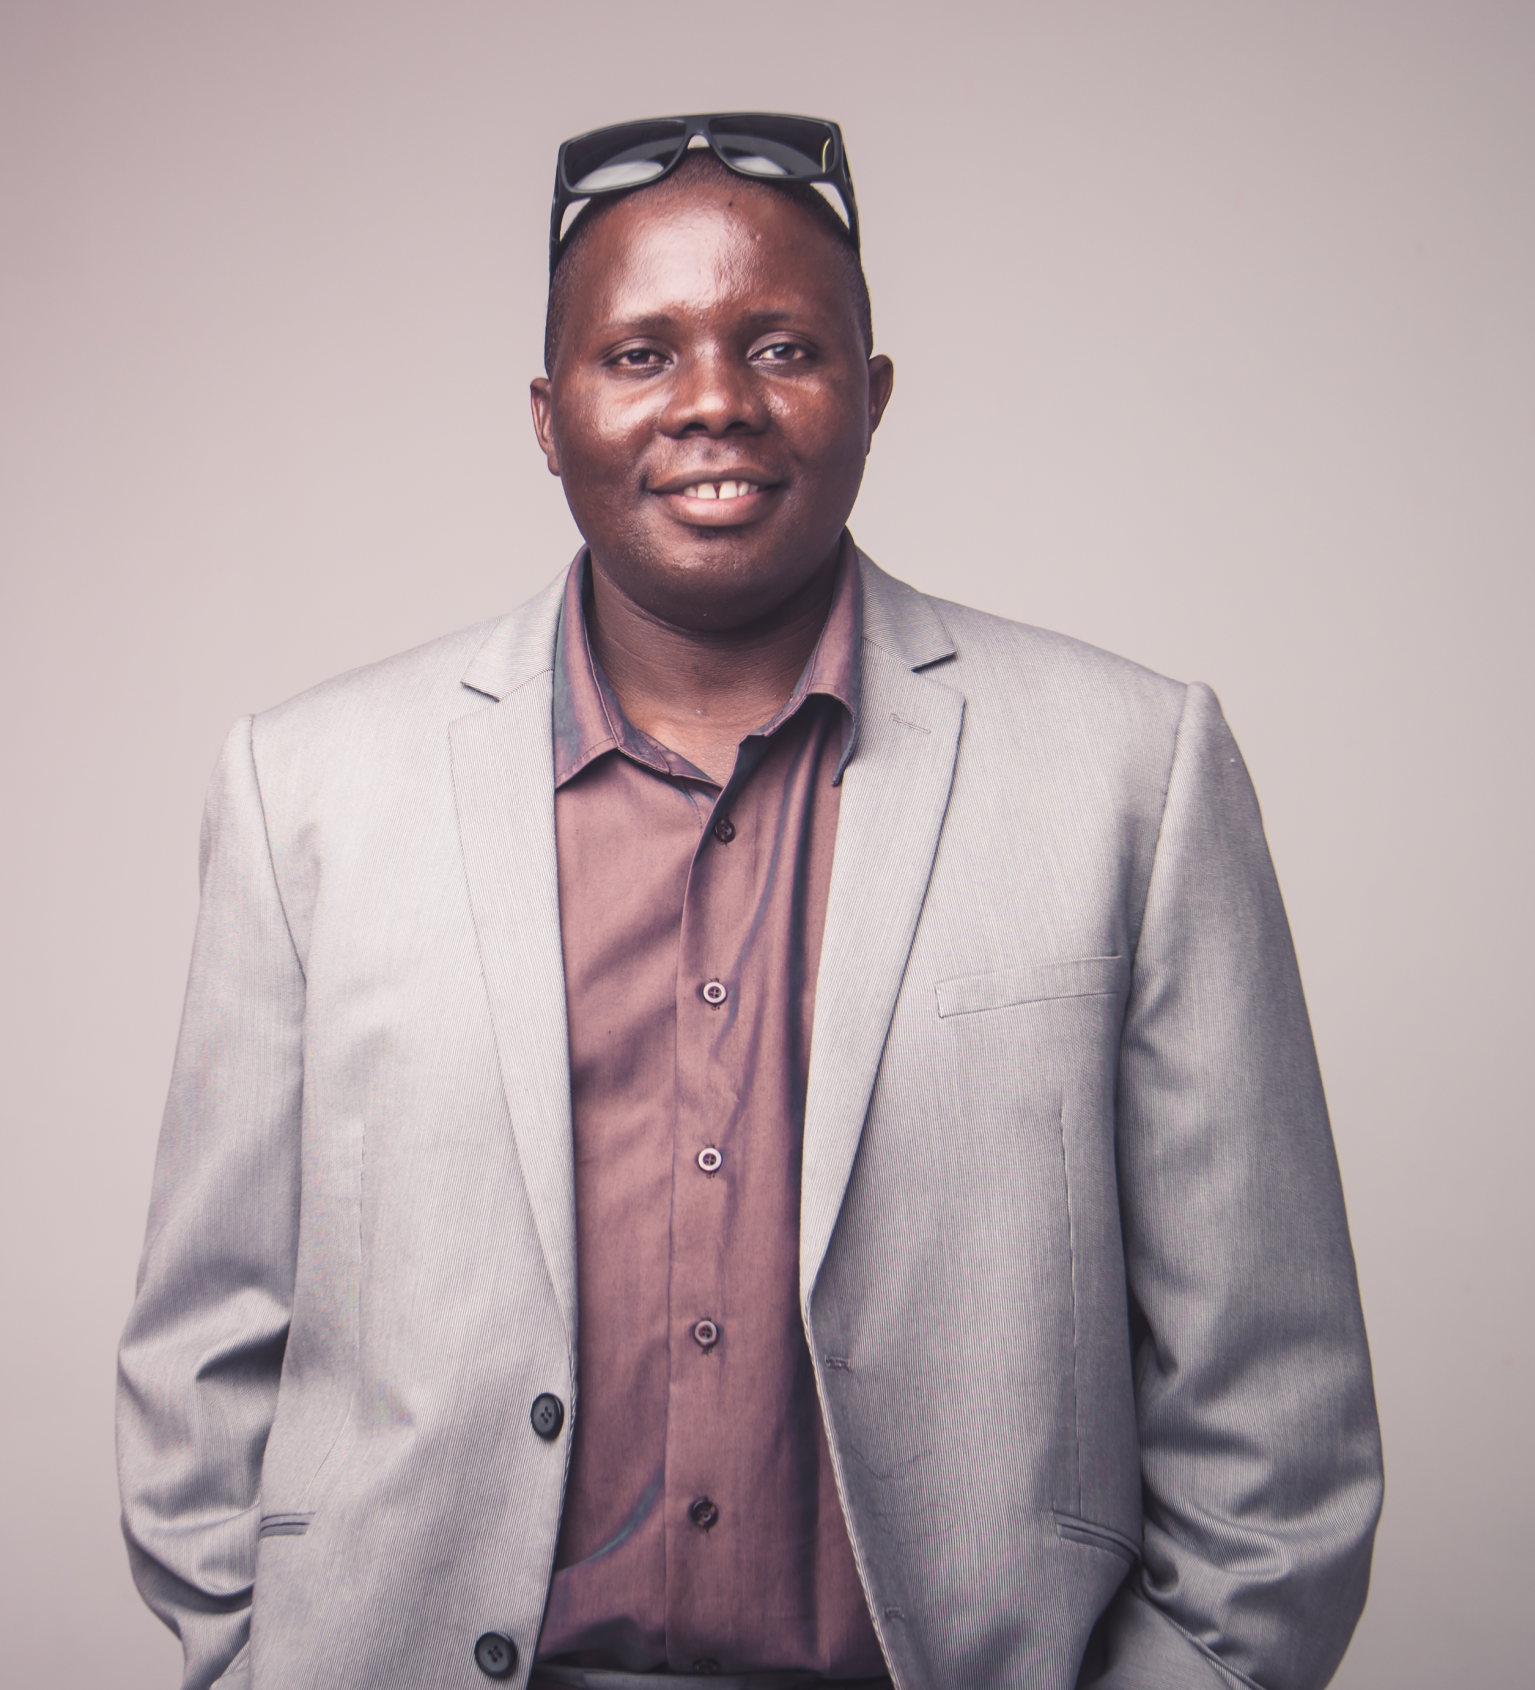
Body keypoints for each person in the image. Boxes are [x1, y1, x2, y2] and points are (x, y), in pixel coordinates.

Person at [118, 114, 1383, 1690]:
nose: (713, 399)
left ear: (873, 393)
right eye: (640, 353)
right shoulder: (305, 788)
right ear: (547, 416)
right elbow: (203, 1341)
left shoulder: (1130, 770)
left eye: (780, 345)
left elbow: (1270, 1394)